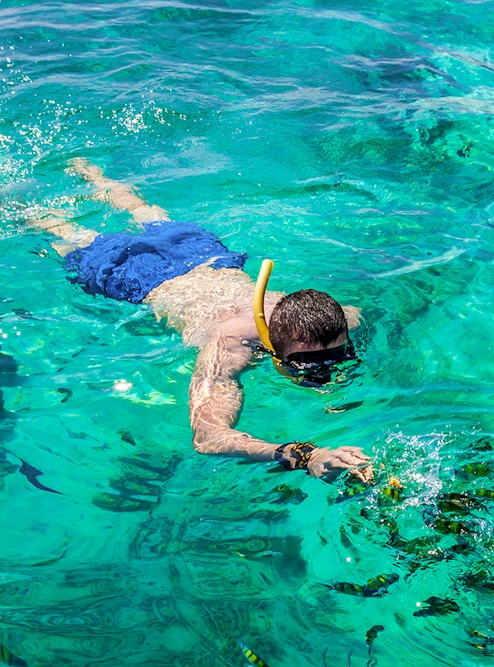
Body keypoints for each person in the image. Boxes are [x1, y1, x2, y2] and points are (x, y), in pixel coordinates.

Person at [30, 159, 373, 482]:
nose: (328, 372)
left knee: (145, 211)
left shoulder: (336, 317)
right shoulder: (229, 346)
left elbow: (358, 314)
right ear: (271, 344)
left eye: (340, 355)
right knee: (68, 233)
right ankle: (14, 198)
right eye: (307, 364)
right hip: (142, 277)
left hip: (206, 256)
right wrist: (302, 454)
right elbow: (208, 436)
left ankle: (88, 171)